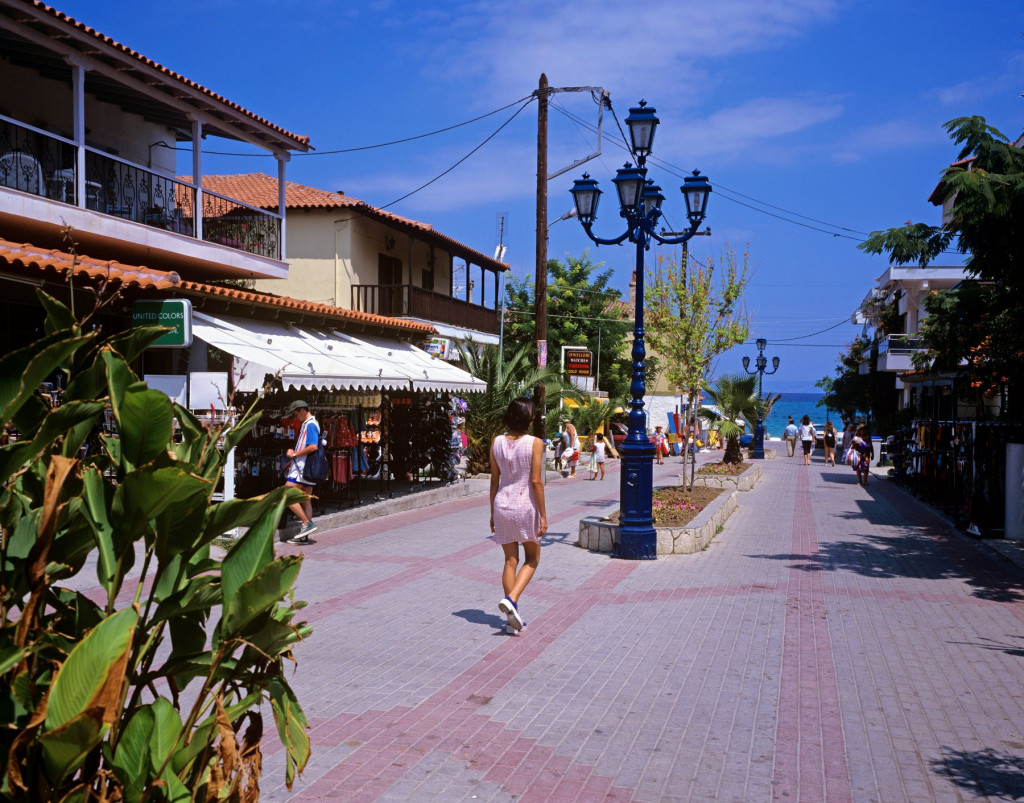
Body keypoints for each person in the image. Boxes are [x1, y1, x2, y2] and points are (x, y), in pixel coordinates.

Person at [490, 398, 548, 635]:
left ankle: (510, 615)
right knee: (532, 559)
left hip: (502, 504)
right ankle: (512, 600)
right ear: (529, 418)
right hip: (525, 506)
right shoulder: (535, 443)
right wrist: (543, 515)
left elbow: (494, 479)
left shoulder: (496, 442)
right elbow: (536, 481)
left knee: (509, 561)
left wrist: (491, 512)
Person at [283, 400, 320, 544]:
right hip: (304, 468)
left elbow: (313, 447)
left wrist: (294, 455)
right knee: (306, 500)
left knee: (286, 494)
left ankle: (306, 523)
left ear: (302, 411)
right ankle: (304, 536)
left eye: (295, 414)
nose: (294, 417)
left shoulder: (310, 424)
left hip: (302, 469)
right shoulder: (309, 424)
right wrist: (291, 462)